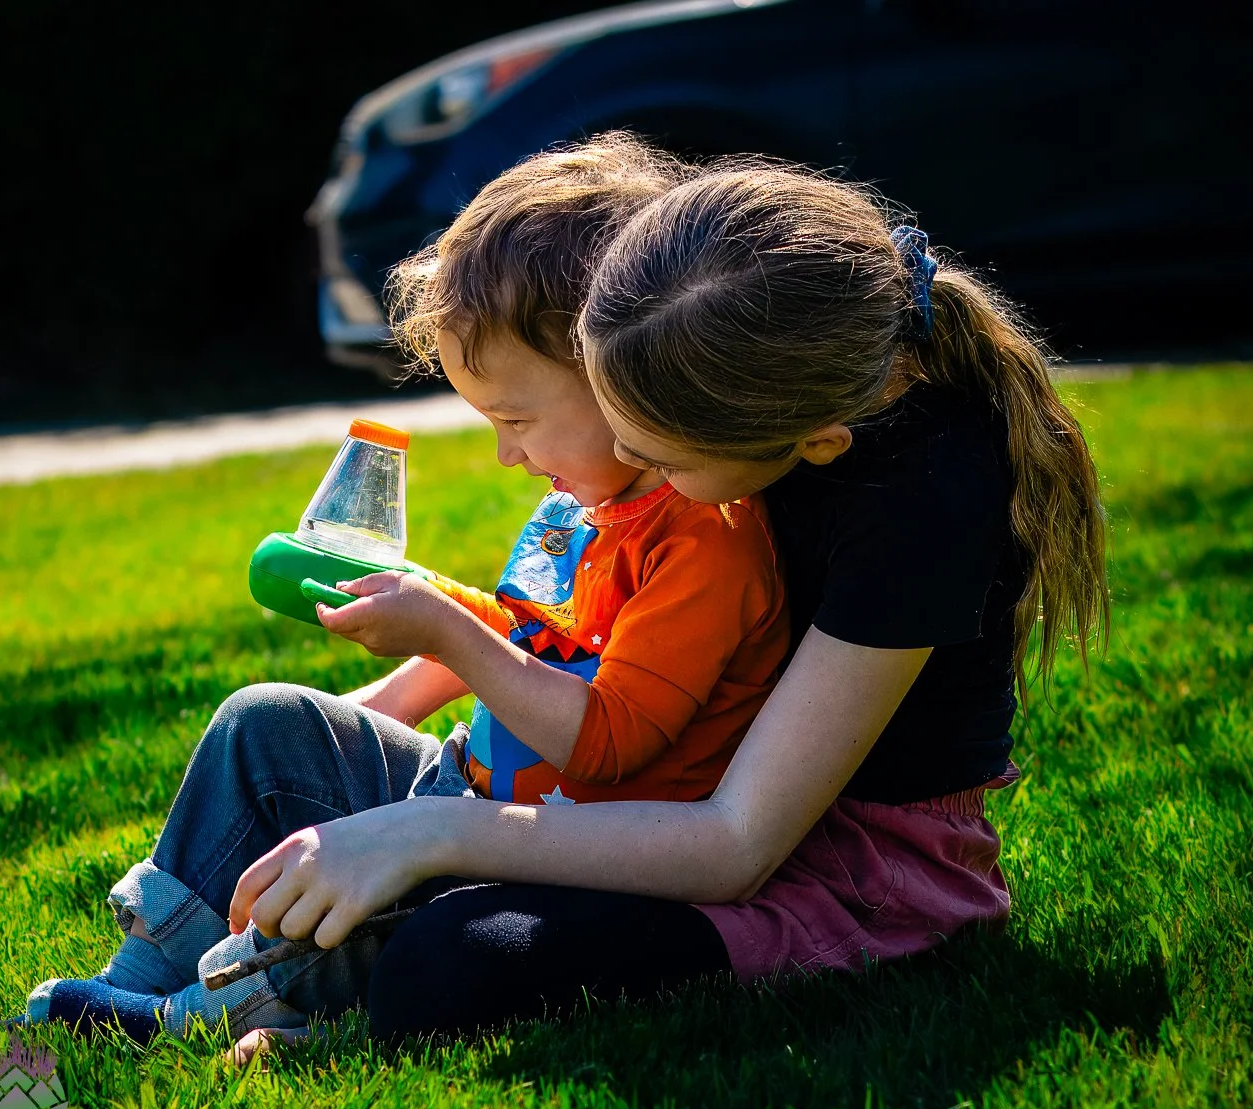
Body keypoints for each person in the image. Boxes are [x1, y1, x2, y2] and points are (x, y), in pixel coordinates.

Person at [222, 154, 1109, 1060]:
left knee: (452, 962)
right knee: (278, 740)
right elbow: (573, 643)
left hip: (828, 863)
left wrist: (430, 833)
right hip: (661, 786)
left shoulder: (918, 501)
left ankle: (325, 1011)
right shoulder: (730, 387)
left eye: (662, 462)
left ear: (814, 444)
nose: (638, 477)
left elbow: (737, 845)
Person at [14, 136, 790, 1049]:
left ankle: (192, 1018)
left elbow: (610, 743)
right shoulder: (580, 501)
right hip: (466, 790)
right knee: (268, 722)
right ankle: (140, 975)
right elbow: (526, 630)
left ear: (619, 367)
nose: (508, 455)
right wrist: (413, 647)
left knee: (383, 902)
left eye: (517, 420)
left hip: (556, 860)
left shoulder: (708, 538)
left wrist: (445, 634)